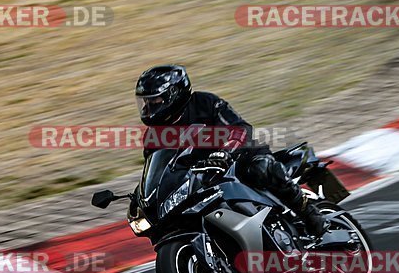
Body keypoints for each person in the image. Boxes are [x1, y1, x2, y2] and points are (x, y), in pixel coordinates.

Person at [134, 64, 328, 236]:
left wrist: (225, 152)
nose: (149, 108)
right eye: (145, 103)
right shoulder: (153, 136)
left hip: (239, 157)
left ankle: (310, 214)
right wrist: (139, 197)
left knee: (262, 167)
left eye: (155, 101)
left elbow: (240, 129)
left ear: (174, 94)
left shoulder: (205, 103)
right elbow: (158, 170)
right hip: (201, 179)